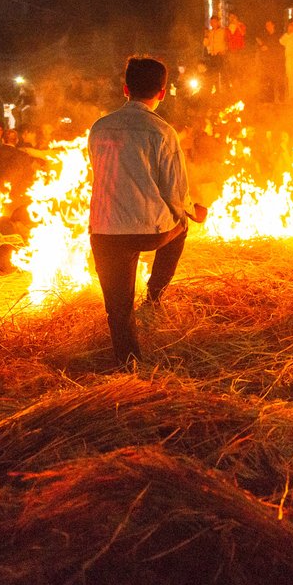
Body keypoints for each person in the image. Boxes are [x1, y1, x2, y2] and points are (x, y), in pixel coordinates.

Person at [88, 56, 207, 367]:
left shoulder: (99, 128)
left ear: (125, 89)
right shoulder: (162, 132)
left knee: (118, 308)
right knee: (182, 228)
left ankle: (128, 365)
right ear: (162, 92)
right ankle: (154, 297)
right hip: (149, 230)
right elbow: (175, 192)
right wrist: (193, 212)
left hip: (105, 229)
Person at [255, 19, 285, 102]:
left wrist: (267, 47)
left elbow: (279, 47)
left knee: (277, 80)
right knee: (269, 80)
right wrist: (262, 45)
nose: (267, 27)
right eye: (266, 26)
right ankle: (270, 99)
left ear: (273, 25)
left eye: (269, 25)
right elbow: (262, 48)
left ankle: (279, 98)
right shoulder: (266, 36)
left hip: (277, 61)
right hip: (267, 62)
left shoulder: (279, 36)